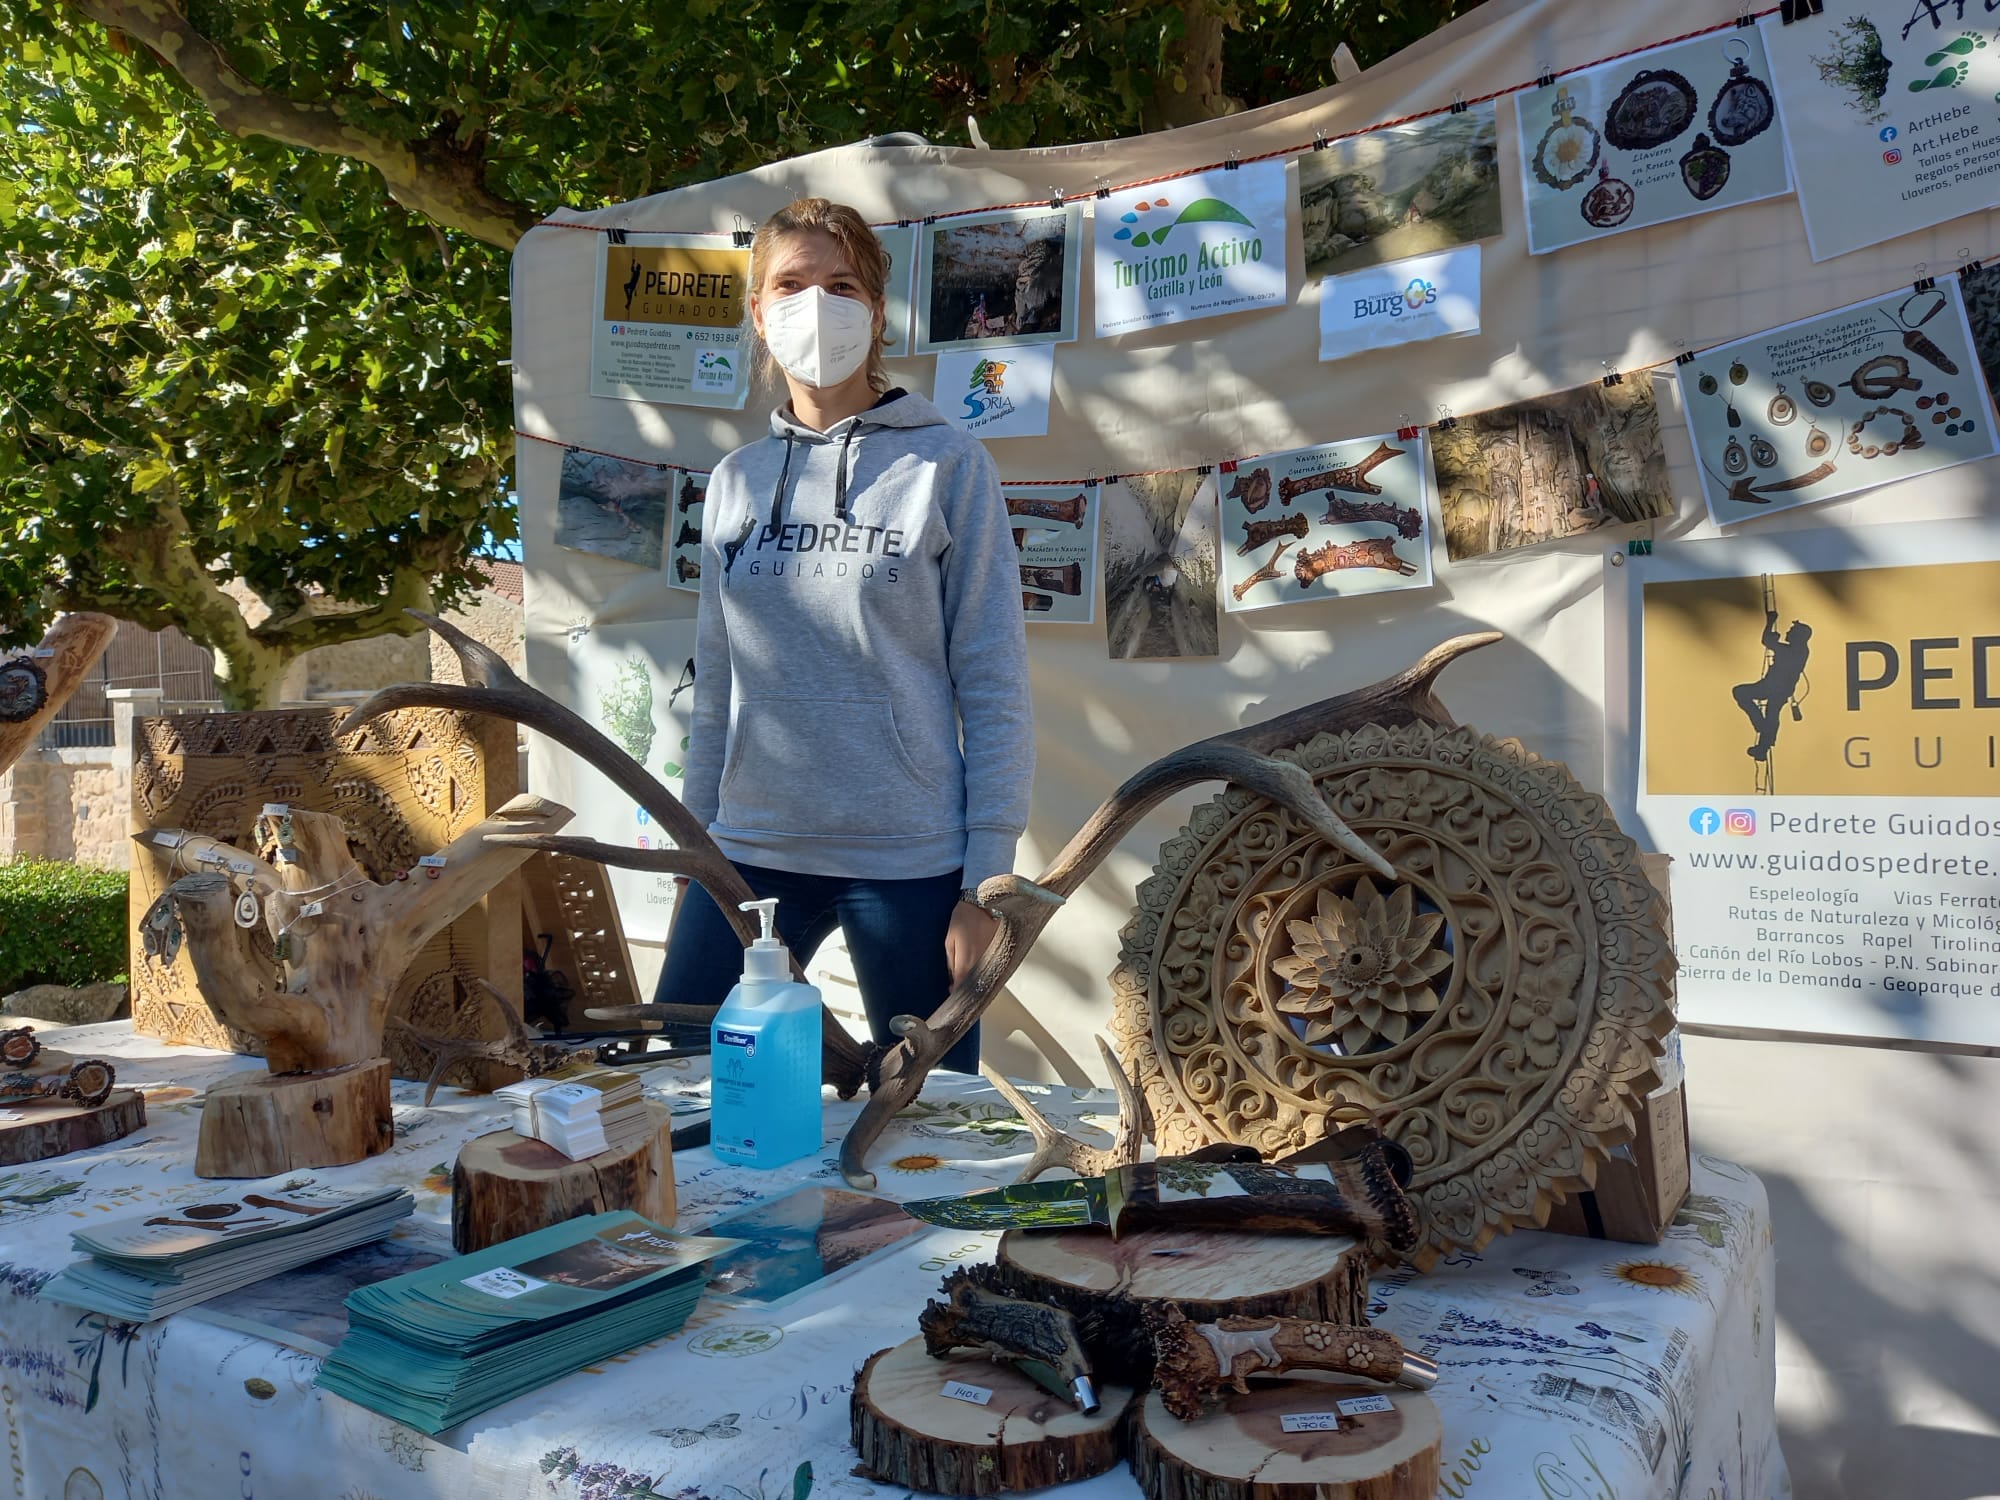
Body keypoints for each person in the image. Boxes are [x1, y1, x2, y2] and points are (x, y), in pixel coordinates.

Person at [657, 197, 1033, 1076]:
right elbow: (718, 683)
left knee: (923, 1108)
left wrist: (985, 887)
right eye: (789, 284)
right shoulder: (735, 481)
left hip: (907, 857)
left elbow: (994, 683)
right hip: (748, 849)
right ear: (757, 312)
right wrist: (695, 843)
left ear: (875, 311)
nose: (813, 305)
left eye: (840, 284)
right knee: (684, 1076)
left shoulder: (947, 464)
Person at [1732, 611, 1811, 762]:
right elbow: (1770, 643)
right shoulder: (1799, 650)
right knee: (1770, 712)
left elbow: (1767, 641)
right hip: (1775, 686)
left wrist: (1770, 622)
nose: (1788, 632)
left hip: (1775, 687)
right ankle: (1763, 741)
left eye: (1791, 631)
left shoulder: (1794, 651)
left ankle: (1762, 731)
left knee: (1745, 695)